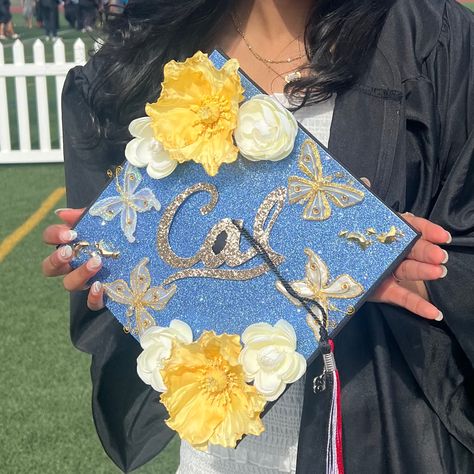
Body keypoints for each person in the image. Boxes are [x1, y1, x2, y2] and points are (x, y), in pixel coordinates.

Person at [42, 0, 474, 472]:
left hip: (387, 432)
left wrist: (420, 271)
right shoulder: (149, 53)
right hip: (221, 454)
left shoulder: (435, 43)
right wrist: (114, 262)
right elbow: (162, 278)